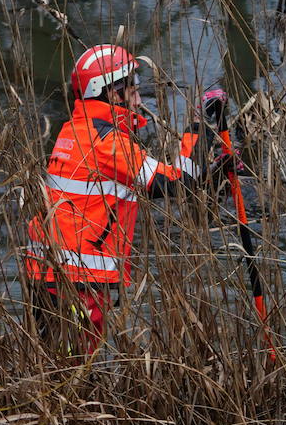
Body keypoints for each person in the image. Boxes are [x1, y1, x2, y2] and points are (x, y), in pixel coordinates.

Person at [25, 44, 228, 356]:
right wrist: (200, 128)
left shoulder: (74, 130)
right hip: (79, 281)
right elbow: (175, 183)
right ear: (110, 92)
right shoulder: (107, 142)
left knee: (56, 363)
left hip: (50, 275)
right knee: (70, 370)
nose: (138, 95)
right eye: (131, 87)